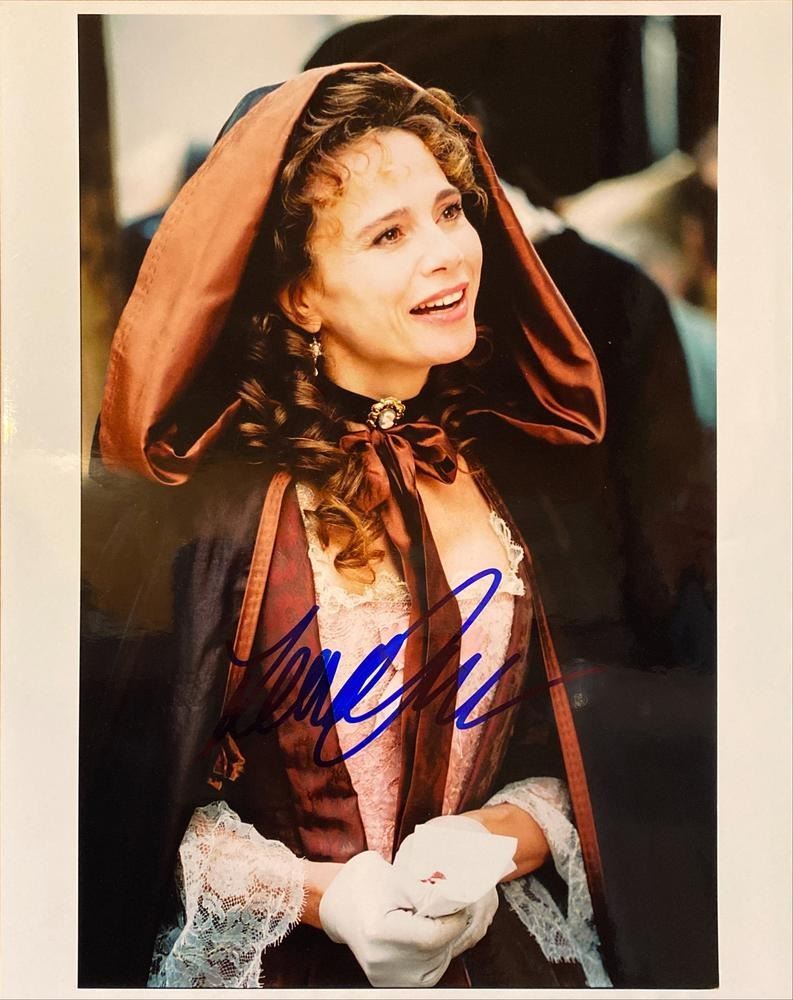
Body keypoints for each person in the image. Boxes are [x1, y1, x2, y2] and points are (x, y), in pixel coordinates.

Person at [80, 63, 612, 989]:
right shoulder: (208, 513)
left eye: (449, 212)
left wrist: (498, 839)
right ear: (300, 295)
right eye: (388, 234)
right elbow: (126, 796)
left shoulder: (523, 476)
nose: (446, 254)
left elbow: (594, 744)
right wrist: (328, 896)